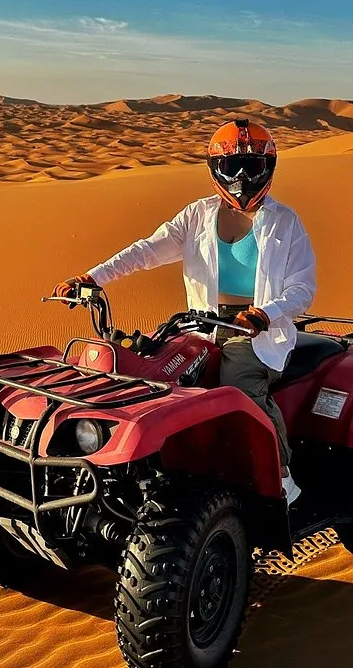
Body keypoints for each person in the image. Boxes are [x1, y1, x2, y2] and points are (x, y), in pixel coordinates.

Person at [52, 118, 316, 504]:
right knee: (151, 372)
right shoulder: (197, 216)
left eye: (252, 166)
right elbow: (146, 251)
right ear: (216, 169)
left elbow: (302, 289)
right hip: (199, 325)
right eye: (231, 166)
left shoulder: (285, 223)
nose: (241, 177)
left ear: (268, 168)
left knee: (241, 388)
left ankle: (281, 476)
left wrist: (265, 313)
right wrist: (92, 277)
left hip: (256, 332)